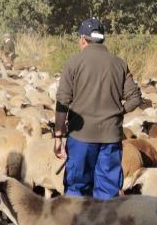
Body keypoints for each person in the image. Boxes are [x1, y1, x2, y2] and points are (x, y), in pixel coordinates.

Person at [54, 18, 141, 198]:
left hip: (81, 138)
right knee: (108, 191)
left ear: (83, 39)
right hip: (110, 137)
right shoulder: (120, 64)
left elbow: (63, 100)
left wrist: (58, 135)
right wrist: (118, 112)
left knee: (77, 188)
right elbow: (135, 99)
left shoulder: (73, 63)